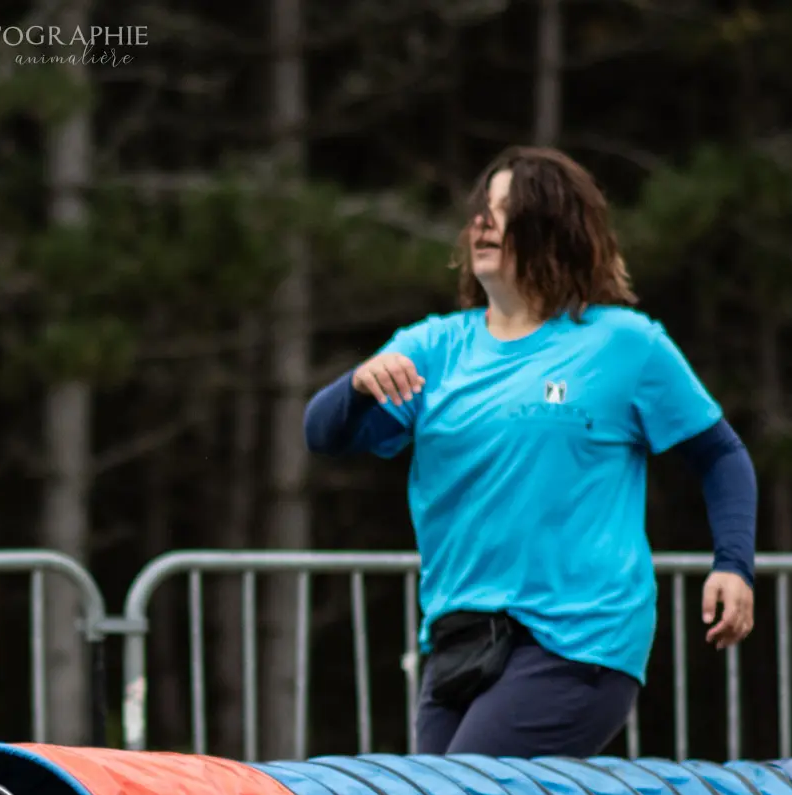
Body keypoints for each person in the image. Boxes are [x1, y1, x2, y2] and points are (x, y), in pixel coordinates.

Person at [304, 146, 758, 758]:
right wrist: (356, 385)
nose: (483, 223)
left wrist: (734, 564)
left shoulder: (623, 344)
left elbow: (721, 457)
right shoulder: (435, 347)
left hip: (578, 640)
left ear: (555, 229)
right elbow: (322, 434)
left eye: (507, 210)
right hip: (458, 640)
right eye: (481, 211)